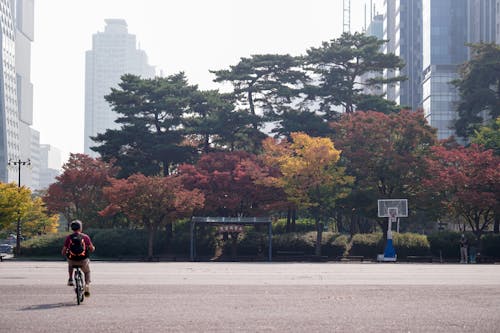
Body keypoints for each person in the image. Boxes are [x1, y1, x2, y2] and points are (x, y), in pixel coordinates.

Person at [61, 220, 95, 296]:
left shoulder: (69, 237)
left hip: (72, 260)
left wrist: (65, 254)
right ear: (80, 228)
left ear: (72, 229)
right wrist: (92, 248)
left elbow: (63, 251)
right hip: (83, 260)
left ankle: (70, 279)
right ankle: (86, 285)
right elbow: (91, 249)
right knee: (87, 272)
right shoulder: (85, 237)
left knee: (70, 264)